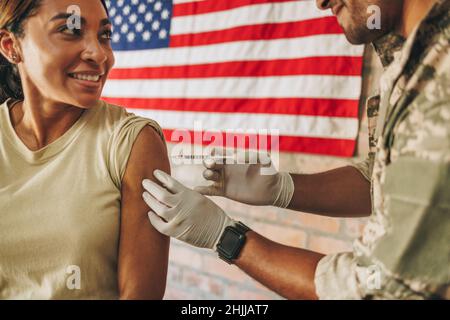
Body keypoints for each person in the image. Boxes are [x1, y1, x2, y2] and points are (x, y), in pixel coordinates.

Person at [142, 0, 450, 299]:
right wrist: (283, 188)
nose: (321, 3)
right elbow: (382, 176)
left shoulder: (441, 82)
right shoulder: (409, 61)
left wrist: (225, 237)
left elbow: (382, 291)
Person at [0, 0, 169, 299]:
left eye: (104, 35)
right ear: (11, 45)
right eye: (70, 30)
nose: (99, 54)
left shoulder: (133, 142)